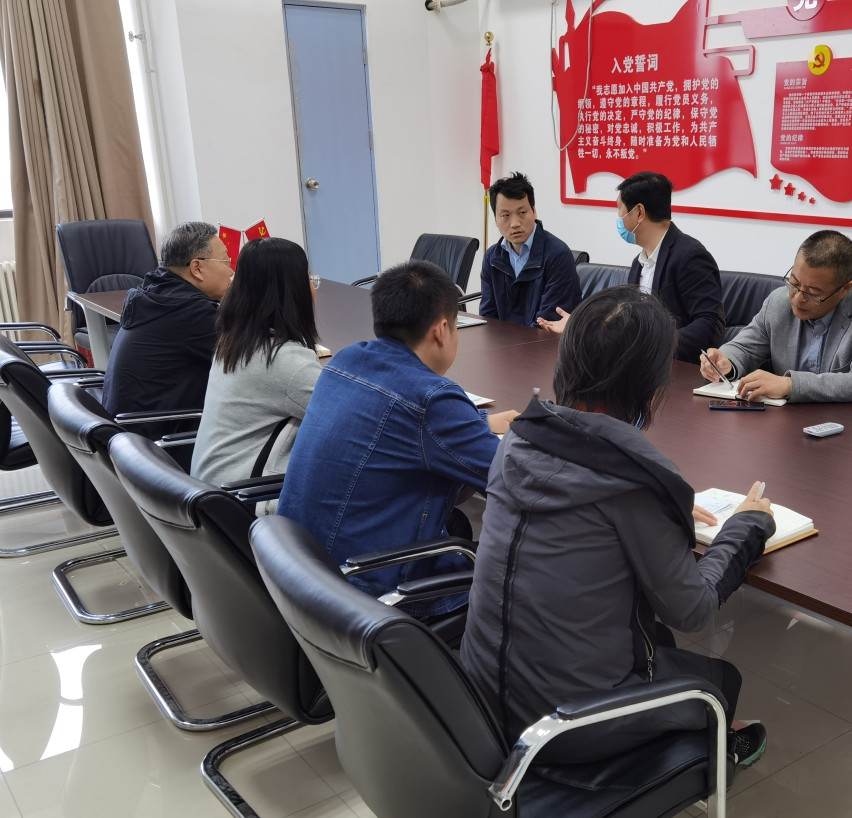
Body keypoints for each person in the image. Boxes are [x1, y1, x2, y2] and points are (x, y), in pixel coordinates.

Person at [461, 285, 773, 768]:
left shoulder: (517, 439)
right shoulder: (633, 481)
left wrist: (658, 508)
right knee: (718, 681)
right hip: (564, 726)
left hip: (479, 695)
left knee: (655, 642)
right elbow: (691, 609)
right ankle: (706, 748)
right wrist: (746, 526)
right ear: (650, 382)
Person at [277, 261, 519, 620]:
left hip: (300, 571)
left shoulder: (346, 360)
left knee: (459, 523)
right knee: (523, 576)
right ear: (442, 329)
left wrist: (477, 422)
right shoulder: (432, 399)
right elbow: (515, 478)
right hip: (367, 593)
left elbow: (402, 423)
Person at [699, 230, 852, 410]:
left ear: (844, 289)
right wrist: (726, 361)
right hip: (805, 419)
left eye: (812, 293)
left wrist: (790, 385)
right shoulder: (779, 302)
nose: (797, 298)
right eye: (794, 283)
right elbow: (745, 348)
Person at [538, 171, 725, 361]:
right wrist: (580, 326)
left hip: (677, 367)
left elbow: (710, 324)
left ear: (639, 213)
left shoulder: (689, 255)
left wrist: (655, 345)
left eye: (620, 209)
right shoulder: (639, 263)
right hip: (641, 367)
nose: (619, 217)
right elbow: (630, 322)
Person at [191, 237, 323, 506]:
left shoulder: (233, 343)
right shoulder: (286, 362)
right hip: (249, 500)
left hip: (213, 495)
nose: (313, 288)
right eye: (309, 279)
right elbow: (350, 421)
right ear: (293, 291)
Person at [102, 221, 231, 422]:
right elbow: (251, 361)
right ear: (197, 268)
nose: (231, 271)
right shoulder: (190, 313)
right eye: (225, 261)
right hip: (159, 435)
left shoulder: (155, 294)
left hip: (128, 430)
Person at [478, 172, 582, 328]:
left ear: (534, 211)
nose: (515, 223)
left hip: (546, 341)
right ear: (496, 220)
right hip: (503, 342)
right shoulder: (492, 258)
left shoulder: (558, 255)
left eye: (522, 213)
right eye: (505, 215)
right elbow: (488, 317)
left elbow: (548, 323)